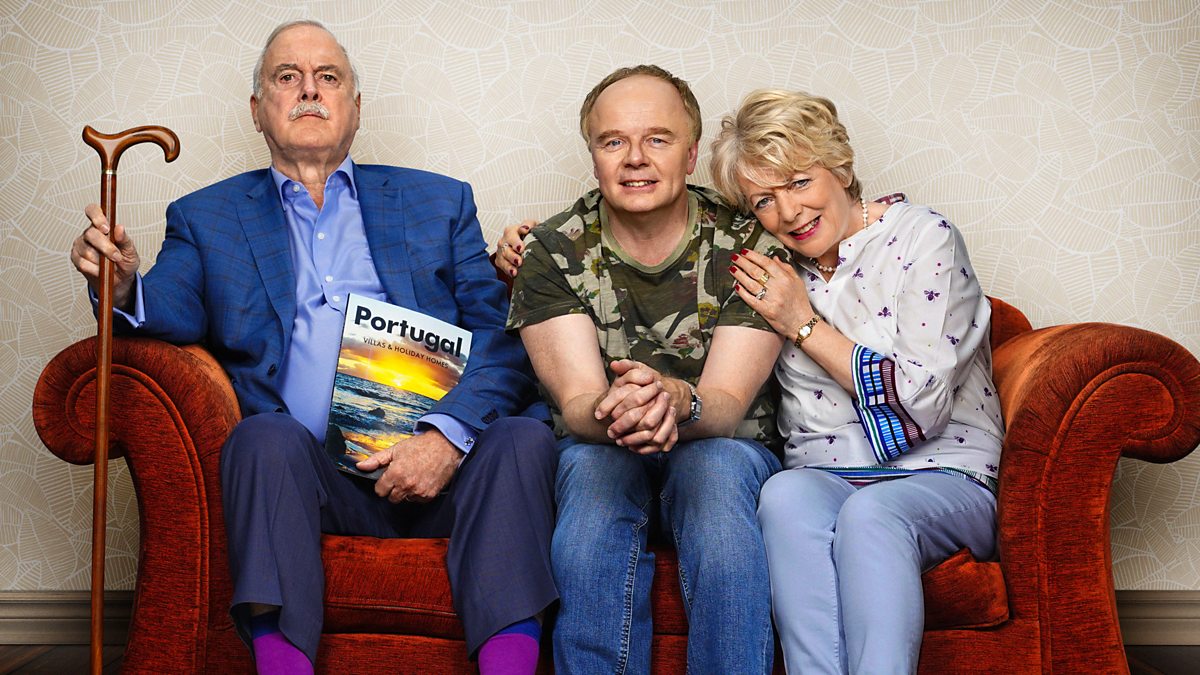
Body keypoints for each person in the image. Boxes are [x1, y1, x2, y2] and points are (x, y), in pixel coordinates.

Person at [69, 19, 557, 675]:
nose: (308, 90)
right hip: (313, 480)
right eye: (287, 77)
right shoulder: (207, 217)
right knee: (261, 437)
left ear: (356, 106)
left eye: (328, 77)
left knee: (523, 438)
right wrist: (124, 284)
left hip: (451, 470)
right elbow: (167, 307)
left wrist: (443, 439)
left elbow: (501, 337)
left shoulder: (439, 202)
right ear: (257, 109)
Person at [709, 89, 1004, 674]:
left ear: (840, 167)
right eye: (764, 200)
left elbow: (921, 403)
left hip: (944, 474)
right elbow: (665, 238)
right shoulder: (770, 266)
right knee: (784, 496)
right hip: (827, 475)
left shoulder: (924, 238)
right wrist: (536, 243)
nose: (788, 212)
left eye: (799, 182)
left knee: (872, 515)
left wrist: (803, 324)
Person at [504, 65, 784, 674]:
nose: (635, 158)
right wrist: (623, 410)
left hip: (724, 446)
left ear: (691, 154)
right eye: (613, 141)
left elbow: (725, 404)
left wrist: (677, 400)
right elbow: (579, 403)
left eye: (657, 138)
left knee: (713, 472)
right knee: (593, 477)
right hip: (601, 444)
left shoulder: (749, 243)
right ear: (594, 156)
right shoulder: (552, 251)